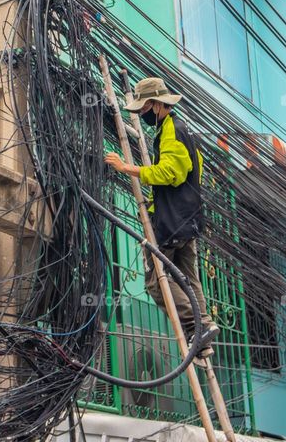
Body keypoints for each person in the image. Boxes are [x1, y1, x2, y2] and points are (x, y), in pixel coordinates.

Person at [104, 77, 220, 360]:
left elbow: (171, 173)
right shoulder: (184, 131)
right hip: (188, 219)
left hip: (172, 222)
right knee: (189, 280)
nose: (142, 115)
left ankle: (197, 326)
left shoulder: (173, 131)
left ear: (156, 105)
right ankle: (201, 336)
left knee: (156, 281)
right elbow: (194, 171)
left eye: (143, 109)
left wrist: (126, 168)